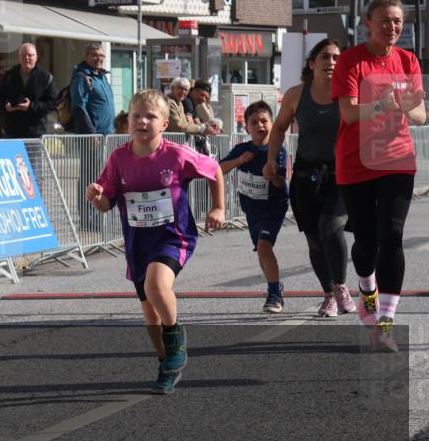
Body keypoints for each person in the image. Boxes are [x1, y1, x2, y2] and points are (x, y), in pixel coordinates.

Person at [86, 89, 224, 395]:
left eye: (151, 116)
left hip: (173, 238)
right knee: (149, 311)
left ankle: (176, 337)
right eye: (137, 115)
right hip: (138, 244)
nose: (142, 121)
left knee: (157, 286)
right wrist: (97, 197)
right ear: (128, 122)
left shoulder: (175, 154)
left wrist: (218, 207)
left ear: (164, 124)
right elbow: (107, 203)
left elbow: (214, 169)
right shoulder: (119, 158)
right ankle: (166, 362)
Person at [331, 0, 425, 348]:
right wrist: (382, 104)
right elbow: (350, 113)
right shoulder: (352, 61)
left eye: (398, 21)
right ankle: (366, 288)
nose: (392, 27)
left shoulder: (408, 61)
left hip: (397, 158)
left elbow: (421, 115)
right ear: (367, 24)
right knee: (366, 243)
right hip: (356, 161)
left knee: (393, 235)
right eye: (384, 20)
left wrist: (406, 107)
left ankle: (385, 323)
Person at [265, 39, 355, 318]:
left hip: (341, 173)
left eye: (338, 58)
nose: (332, 62)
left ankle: (341, 286)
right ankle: (328, 294)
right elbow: (279, 128)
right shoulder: (296, 94)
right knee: (315, 240)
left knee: (331, 226)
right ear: (312, 63)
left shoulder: (349, 94)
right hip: (306, 175)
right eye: (326, 57)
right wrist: (271, 159)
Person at [220, 101, 290, 313]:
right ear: (246, 127)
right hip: (251, 208)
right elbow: (218, 169)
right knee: (261, 251)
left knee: (263, 247)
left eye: (264, 121)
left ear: (272, 123)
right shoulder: (242, 149)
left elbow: (282, 183)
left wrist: (273, 177)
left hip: (273, 206)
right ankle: (275, 285)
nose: (260, 126)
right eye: (254, 122)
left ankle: (274, 295)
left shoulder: (277, 150)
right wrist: (239, 160)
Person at [0, 42, 58, 138]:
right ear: (19, 58)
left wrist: (31, 106)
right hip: (12, 130)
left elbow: (53, 102)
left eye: (30, 55)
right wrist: (5, 105)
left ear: (36, 57)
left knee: (34, 154)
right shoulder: (9, 75)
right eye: (23, 55)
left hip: (36, 132)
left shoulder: (45, 77)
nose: (26, 58)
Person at [70, 43, 114, 135]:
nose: (99, 59)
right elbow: (79, 108)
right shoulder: (81, 77)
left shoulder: (102, 77)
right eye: (94, 55)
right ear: (86, 57)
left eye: (102, 56)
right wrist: (92, 134)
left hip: (107, 135)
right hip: (91, 137)